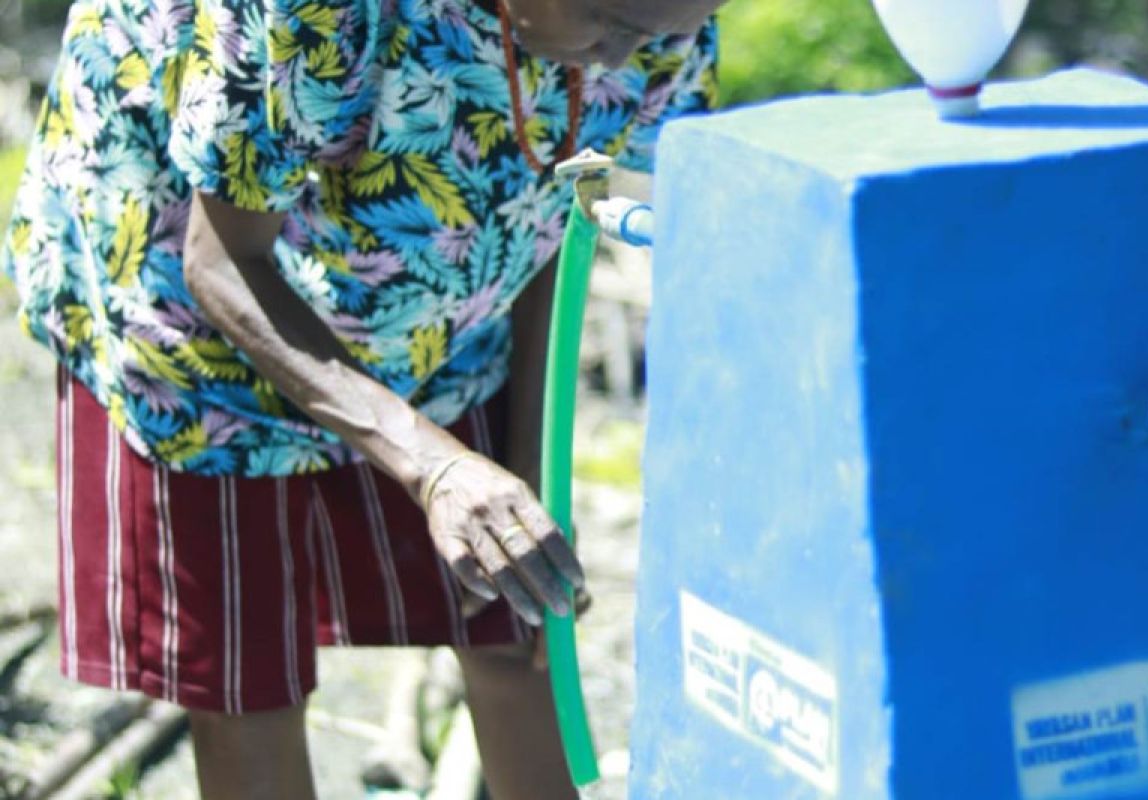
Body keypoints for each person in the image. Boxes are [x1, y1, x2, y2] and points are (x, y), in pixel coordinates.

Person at [1, 0, 721, 796]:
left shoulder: (657, 25)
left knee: (514, 627)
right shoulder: (320, 12)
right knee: (249, 679)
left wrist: (526, 480)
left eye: (663, 34)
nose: (626, 59)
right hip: (196, 292)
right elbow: (221, 264)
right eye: (608, 25)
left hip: (433, 285)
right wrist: (435, 469)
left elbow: (550, 219)